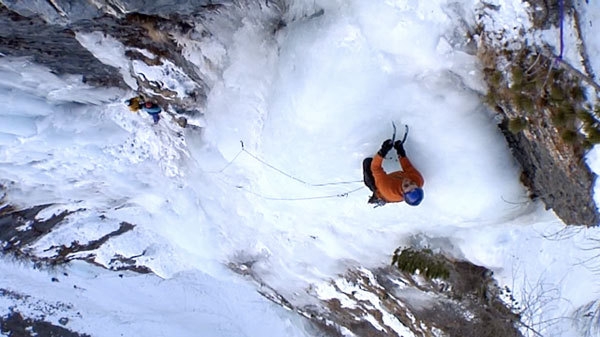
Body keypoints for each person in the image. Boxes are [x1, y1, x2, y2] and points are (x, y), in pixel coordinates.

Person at [363, 138, 424, 207]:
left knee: (368, 162)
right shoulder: (418, 179)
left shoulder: (388, 189)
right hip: (394, 180)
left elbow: (375, 168)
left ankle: (377, 198)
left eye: (406, 185)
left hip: (381, 191)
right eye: (412, 182)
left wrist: (382, 152)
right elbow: (408, 167)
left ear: (402, 192)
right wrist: (401, 152)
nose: (407, 181)